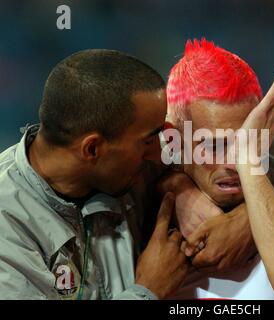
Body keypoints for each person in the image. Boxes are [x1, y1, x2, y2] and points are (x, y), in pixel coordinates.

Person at [0, 49, 188, 299]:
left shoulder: (125, 164)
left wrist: (235, 223)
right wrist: (147, 292)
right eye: (148, 141)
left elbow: (241, 169)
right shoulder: (7, 224)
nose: (158, 153)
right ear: (92, 148)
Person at [160, 39, 274, 299]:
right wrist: (174, 187)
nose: (234, 162)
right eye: (214, 145)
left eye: (247, 141)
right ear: (173, 138)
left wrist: (246, 216)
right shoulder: (139, 203)